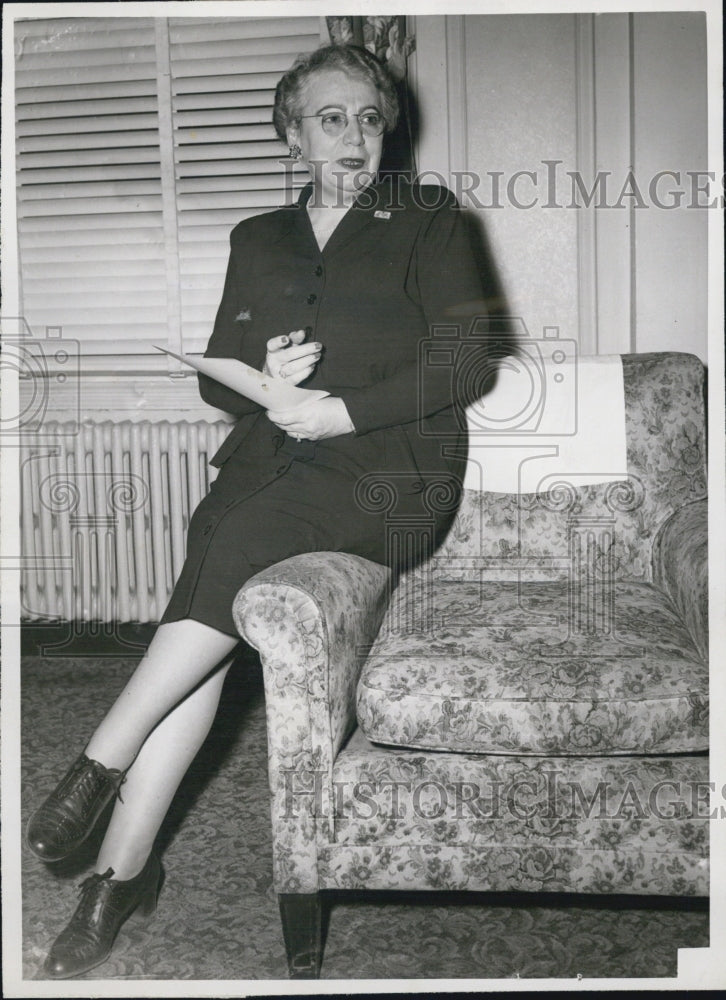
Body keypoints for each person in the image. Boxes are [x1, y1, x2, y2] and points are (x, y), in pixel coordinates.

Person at [25, 43, 488, 979]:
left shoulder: (432, 220)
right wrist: (264, 372)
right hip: (271, 460)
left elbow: (467, 360)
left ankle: (100, 760)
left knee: (225, 549)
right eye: (331, 118)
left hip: (388, 466)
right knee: (203, 624)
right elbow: (220, 382)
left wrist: (341, 411)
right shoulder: (257, 236)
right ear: (292, 137)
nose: (354, 135)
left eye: (369, 117)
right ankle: (120, 875)